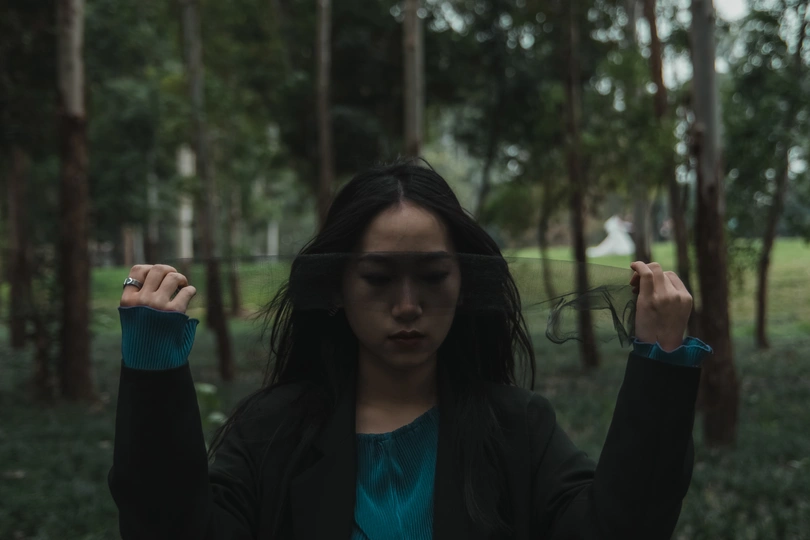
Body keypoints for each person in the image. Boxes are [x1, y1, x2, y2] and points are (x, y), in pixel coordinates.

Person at [109, 159, 711, 540]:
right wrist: (153, 368)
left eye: (432, 276)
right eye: (378, 278)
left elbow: (621, 528)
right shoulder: (273, 433)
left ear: (464, 286)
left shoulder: (516, 428)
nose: (406, 305)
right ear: (337, 289)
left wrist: (663, 361)